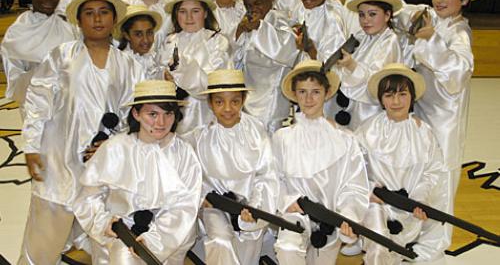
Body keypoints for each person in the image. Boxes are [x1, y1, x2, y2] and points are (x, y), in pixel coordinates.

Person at [17, 0, 144, 264]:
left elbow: (132, 115)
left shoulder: (128, 65)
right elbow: (38, 101)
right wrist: (31, 146)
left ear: (113, 19)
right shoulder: (61, 56)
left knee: (104, 232)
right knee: (44, 234)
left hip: (104, 161)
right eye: (89, 13)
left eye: (103, 13)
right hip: (59, 159)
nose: (97, 19)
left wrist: (114, 144)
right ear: (79, 20)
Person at [73, 80, 202, 265]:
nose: (161, 122)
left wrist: (154, 239)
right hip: (120, 230)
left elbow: (186, 206)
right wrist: (105, 222)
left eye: (168, 114)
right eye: (152, 114)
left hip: (170, 234)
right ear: (136, 113)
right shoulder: (115, 147)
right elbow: (87, 197)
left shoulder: (183, 152)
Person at [404, 0, 480, 262]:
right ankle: (415, 232)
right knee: (420, 171)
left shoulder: (460, 32)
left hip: (445, 116)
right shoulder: (433, 19)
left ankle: (435, 242)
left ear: (463, 0)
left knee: (443, 176)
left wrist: (431, 40)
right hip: (423, 108)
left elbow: (458, 74)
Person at [272, 59, 369, 264]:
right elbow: (273, 177)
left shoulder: (345, 139)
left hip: (330, 220)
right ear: (294, 95)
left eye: (315, 91)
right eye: (302, 92)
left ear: (327, 93)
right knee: (287, 248)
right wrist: (286, 201)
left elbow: (354, 185)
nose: (308, 99)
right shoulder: (282, 137)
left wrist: (348, 215)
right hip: (295, 215)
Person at [186, 69, 278, 264]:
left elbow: (266, 174)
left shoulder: (257, 131)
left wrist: (255, 207)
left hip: (251, 204)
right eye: (219, 102)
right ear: (210, 103)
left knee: (250, 235)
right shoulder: (199, 137)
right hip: (215, 207)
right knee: (221, 240)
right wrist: (202, 197)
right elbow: (191, 175)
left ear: (243, 100)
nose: (227, 108)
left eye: (234, 101)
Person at [357, 63, 444, 264]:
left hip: (408, 209)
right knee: (379, 246)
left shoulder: (424, 133)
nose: (396, 101)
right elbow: (353, 170)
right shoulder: (367, 130)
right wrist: (369, 191)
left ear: (412, 97)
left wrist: (419, 200)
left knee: (395, 252)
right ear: (380, 99)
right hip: (374, 204)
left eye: (402, 94)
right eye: (389, 95)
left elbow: (432, 172)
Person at [1, 0, 76, 114]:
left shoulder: (68, 27)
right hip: (34, 108)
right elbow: (15, 80)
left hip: (69, 106)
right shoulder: (18, 32)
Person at [159, 0, 230, 134]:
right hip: (174, 121)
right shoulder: (169, 42)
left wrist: (179, 76)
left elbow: (213, 84)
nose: (189, 18)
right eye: (183, 12)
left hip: (207, 117)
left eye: (195, 11)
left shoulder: (216, 41)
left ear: (205, 13)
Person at [234, 0, 298, 133]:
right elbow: (237, 58)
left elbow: (288, 51)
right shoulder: (247, 21)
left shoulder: (278, 19)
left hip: (272, 97)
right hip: (250, 94)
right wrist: (240, 32)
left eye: (258, 3)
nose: (253, 9)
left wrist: (260, 28)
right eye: (248, 5)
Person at [334, 0, 403, 130]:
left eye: (372, 14)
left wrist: (351, 65)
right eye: (361, 15)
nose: (366, 20)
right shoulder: (361, 36)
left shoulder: (390, 41)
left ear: (387, 15)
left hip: (373, 110)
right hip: (355, 107)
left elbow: (376, 78)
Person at [117, 5, 166, 80]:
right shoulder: (120, 64)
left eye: (149, 33)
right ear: (126, 35)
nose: (146, 40)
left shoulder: (154, 59)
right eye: (138, 34)